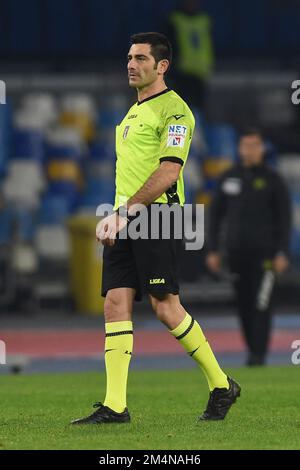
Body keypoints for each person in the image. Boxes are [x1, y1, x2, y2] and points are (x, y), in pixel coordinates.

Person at [71, 32, 240, 425]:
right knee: (114, 303)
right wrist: (119, 213)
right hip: (126, 216)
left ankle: (221, 385)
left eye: (141, 58)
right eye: (129, 57)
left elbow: (169, 172)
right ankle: (115, 406)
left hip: (157, 217)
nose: (131, 64)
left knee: (166, 309)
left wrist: (124, 212)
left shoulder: (176, 111)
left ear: (161, 66)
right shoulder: (131, 113)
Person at [206, 128, 291, 366]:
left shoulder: (274, 180)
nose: (250, 150)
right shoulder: (228, 178)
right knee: (243, 304)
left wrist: (282, 251)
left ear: (262, 148)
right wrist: (213, 249)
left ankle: (258, 355)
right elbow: (215, 216)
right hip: (236, 253)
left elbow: (284, 219)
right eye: (245, 145)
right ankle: (252, 350)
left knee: (261, 303)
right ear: (239, 148)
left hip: (265, 255)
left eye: (254, 145)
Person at [164, 0, 214, 109]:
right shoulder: (174, 20)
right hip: (182, 73)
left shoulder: (204, 20)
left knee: (199, 109)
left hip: (201, 72)